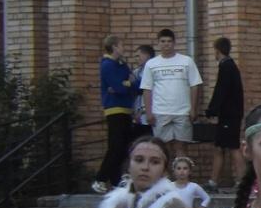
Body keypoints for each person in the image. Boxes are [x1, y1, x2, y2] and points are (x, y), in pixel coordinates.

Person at [138, 30, 202, 160]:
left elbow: (195, 85)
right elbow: (147, 89)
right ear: (158, 43)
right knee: (163, 149)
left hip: (183, 112)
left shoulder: (187, 61)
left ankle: (182, 179)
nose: (166, 44)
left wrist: (193, 109)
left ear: (174, 43)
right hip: (160, 112)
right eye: (163, 41)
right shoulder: (151, 64)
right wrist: (148, 112)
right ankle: (165, 179)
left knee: (181, 147)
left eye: (169, 41)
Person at [92, 35, 138, 193]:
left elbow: (134, 85)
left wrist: (128, 84)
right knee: (116, 146)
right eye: (121, 45)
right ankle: (100, 178)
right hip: (114, 110)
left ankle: (116, 179)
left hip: (126, 109)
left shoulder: (121, 64)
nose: (123, 48)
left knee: (124, 146)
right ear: (114, 47)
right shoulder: (107, 65)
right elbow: (119, 87)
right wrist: (127, 83)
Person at [204, 37, 245, 187]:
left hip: (229, 116)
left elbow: (221, 91)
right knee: (221, 147)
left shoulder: (226, 67)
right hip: (231, 115)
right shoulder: (229, 66)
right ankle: (214, 181)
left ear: (217, 50)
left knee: (232, 147)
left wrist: (212, 110)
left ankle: (241, 181)